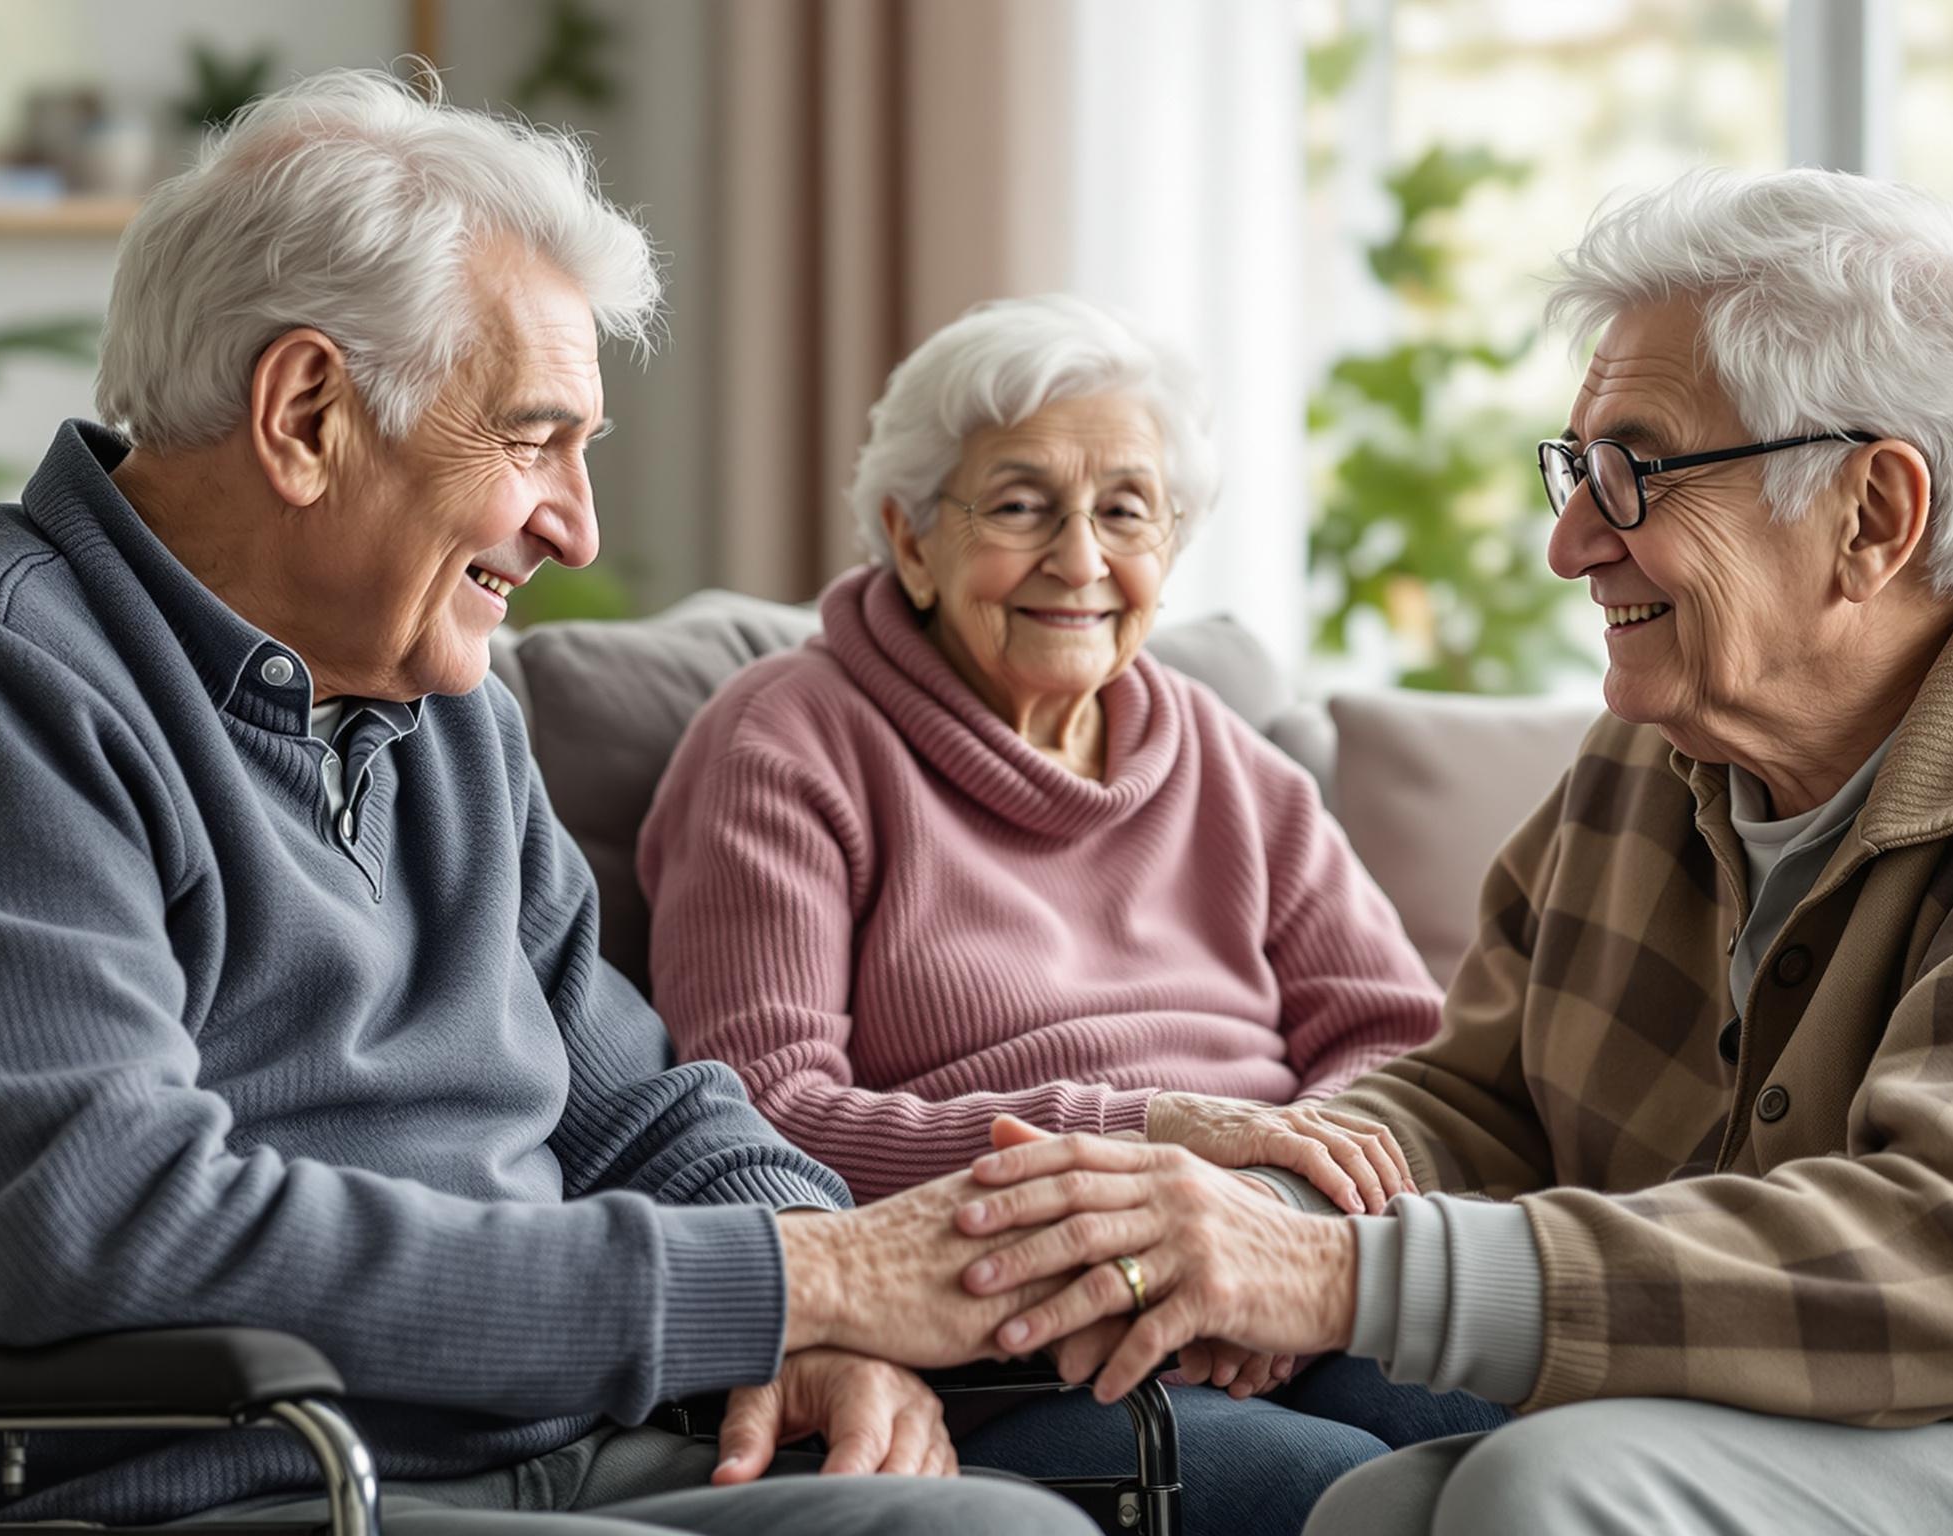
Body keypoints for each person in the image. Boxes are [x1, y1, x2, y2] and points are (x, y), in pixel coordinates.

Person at [0, 68, 1096, 1536]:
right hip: (220, 1491)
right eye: (531, 439)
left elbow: (639, 1114)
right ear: (307, 412)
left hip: (560, 1466)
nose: (577, 527)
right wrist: (789, 1284)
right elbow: (107, 1226)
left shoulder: (446, 714)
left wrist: (830, 1302)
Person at [914, 168, 1953, 1535]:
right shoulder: (1667, 735)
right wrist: (1241, 1219)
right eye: (1576, 468)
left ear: (1873, 515)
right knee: (1371, 1511)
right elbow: (1483, 1105)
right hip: (1824, 1406)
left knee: (1554, 1496)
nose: (1569, 543)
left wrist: (1341, 1274)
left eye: (1635, 473)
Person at [638, 295, 1505, 1536]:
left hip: (1282, 1289)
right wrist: (1139, 1146)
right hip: (1013, 1348)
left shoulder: (1226, 758)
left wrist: (1270, 1234)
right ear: (911, 537)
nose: (1082, 560)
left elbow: (1400, 1045)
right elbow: (759, 1112)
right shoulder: (785, 742)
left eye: (1126, 510)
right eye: (1019, 505)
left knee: (1521, 1444)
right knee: (1321, 1495)